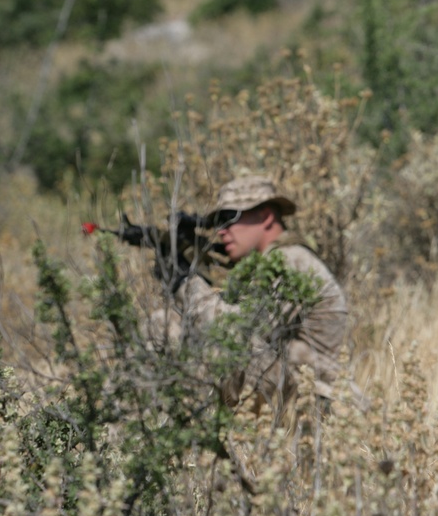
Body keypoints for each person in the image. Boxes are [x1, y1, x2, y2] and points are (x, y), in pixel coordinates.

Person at [150, 175, 351, 417]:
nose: (221, 231)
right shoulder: (263, 264)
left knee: (225, 345)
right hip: (290, 386)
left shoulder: (290, 261)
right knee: (164, 322)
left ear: (265, 217)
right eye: (217, 223)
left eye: (229, 219)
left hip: (317, 399)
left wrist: (184, 281)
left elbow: (236, 330)